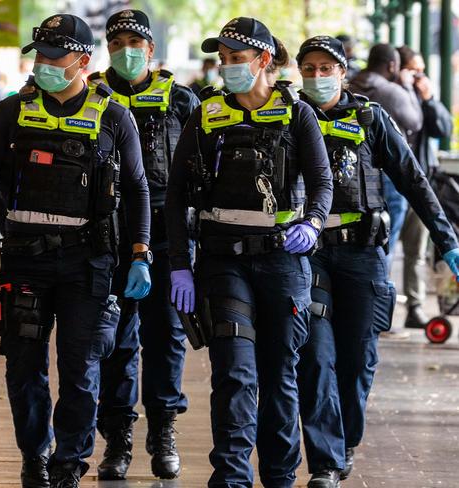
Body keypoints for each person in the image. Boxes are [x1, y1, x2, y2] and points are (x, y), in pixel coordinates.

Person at [0, 14, 152, 488]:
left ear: (83, 62)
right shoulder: (11, 112)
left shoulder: (112, 116)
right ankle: (34, 453)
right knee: (23, 368)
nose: (44, 65)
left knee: (81, 370)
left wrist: (140, 252)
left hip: (87, 263)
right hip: (24, 259)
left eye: (55, 58)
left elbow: (139, 188)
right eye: (39, 56)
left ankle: (68, 464)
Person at [165, 17, 334, 487]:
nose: (226, 68)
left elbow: (322, 184)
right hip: (223, 261)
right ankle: (232, 478)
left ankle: (279, 477)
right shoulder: (206, 114)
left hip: (283, 261)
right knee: (235, 374)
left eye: (236, 59)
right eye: (222, 60)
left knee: (279, 374)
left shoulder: (297, 114)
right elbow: (176, 194)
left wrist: (313, 223)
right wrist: (181, 266)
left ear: (263, 60)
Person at [295, 36, 459, 487]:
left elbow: (412, 179)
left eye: (325, 67)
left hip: (363, 252)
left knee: (358, 357)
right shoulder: (289, 118)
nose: (315, 76)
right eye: (307, 68)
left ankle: (345, 438)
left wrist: (447, 241)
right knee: (316, 355)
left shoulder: (369, 117)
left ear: (343, 71)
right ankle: (326, 460)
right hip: (309, 256)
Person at [86, 9, 200, 481]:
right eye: (116, 45)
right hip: (108, 236)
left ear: (150, 50)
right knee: (114, 340)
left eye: (135, 44)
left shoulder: (181, 101)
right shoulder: (91, 96)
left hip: (169, 237)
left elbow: (203, 168)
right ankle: (117, 438)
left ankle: (164, 429)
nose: (126, 52)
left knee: (167, 338)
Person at [349, 44, 423, 272]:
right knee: (386, 239)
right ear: (392, 65)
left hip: (352, 171)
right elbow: (415, 122)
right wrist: (409, 88)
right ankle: (380, 288)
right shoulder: (392, 92)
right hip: (388, 175)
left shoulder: (349, 86)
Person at [396, 45, 454, 329]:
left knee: (416, 250)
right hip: (392, 188)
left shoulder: (421, 99)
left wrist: (429, 99)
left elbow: (444, 128)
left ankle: (415, 306)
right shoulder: (391, 98)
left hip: (419, 184)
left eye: (421, 71)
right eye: (413, 70)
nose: (419, 76)